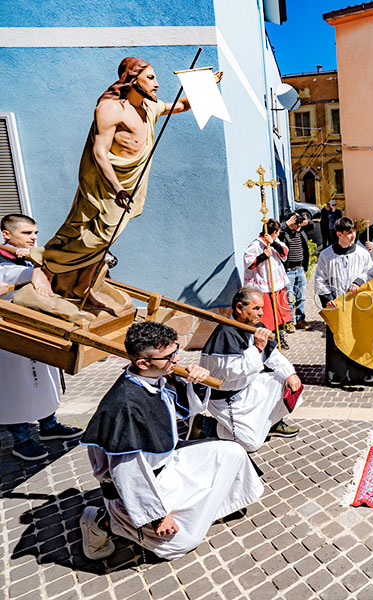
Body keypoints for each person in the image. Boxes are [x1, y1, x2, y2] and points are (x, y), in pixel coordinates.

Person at [28, 58, 220, 309]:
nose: (157, 84)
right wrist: (117, 188)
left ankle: (83, 285)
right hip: (105, 185)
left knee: (110, 237)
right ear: (132, 78)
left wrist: (205, 86)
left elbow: (182, 105)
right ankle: (46, 266)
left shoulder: (150, 108)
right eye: (150, 77)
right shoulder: (111, 108)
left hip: (131, 185)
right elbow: (99, 151)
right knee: (89, 232)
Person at [79, 321, 263, 561]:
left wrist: (195, 381)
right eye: (169, 357)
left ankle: (201, 513)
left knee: (233, 453)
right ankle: (102, 522)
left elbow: (182, 405)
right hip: (141, 486)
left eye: (175, 352)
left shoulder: (154, 376)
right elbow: (128, 473)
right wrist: (156, 517)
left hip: (168, 462)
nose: (175, 361)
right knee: (184, 542)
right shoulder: (124, 407)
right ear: (143, 363)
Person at [0, 214, 83, 460]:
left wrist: (38, 265)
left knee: (44, 379)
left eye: (35, 233)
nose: (33, 238)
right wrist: (39, 269)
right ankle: (21, 439)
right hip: (8, 335)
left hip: (35, 327)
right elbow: (13, 277)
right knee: (15, 386)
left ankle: (48, 426)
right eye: (27, 233)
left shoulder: (29, 257)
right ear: (7, 234)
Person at [194, 288, 302, 451]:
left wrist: (290, 374)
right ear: (239, 308)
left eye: (262, 308)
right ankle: (205, 426)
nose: (261, 313)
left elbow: (273, 356)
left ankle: (270, 424)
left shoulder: (255, 325)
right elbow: (232, 373)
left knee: (283, 379)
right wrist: (257, 348)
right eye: (256, 308)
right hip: (224, 398)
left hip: (245, 387)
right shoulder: (225, 333)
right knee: (251, 444)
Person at [315, 217, 373, 385]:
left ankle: (362, 373)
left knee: (358, 338)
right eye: (348, 233)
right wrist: (327, 298)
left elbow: (372, 272)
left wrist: (359, 281)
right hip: (336, 304)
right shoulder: (326, 255)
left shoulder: (362, 253)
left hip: (357, 304)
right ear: (338, 234)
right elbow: (320, 279)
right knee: (337, 339)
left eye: (353, 232)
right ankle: (337, 374)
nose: (352, 236)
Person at [243, 219, 292, 347]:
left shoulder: (275, 241)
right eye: (278, 233)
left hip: (277, 286)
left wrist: (274, 243)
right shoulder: (255, 245)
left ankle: (280, 338)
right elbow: (249, 263)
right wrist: (263, 256)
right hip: (264, 286)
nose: (278, 235)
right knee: (268, 317)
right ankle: (269, 340)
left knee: (280, 314)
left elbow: (285, 252)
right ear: (274, 232)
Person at [279, 212, 311, 331]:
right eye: (295, 222)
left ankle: (300, 319)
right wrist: (287, 223)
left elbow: (312, 225)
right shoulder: (283, 234)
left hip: (300, 269)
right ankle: (290, 322)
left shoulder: (301, 232)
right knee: (288, 298)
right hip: (288, 271)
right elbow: (277, 229)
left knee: (301, 297)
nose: (297, 225)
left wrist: (303, 221)